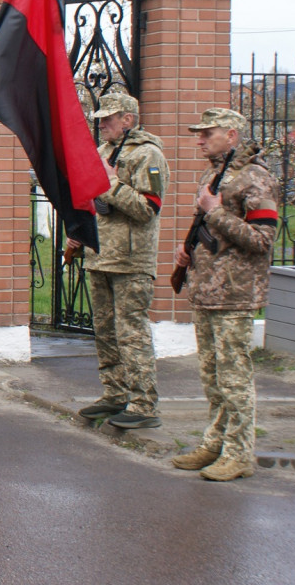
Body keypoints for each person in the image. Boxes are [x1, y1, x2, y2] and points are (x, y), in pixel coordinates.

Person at [172, 108, 278, 482]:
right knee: (212, 377)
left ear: (231, 135)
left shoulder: (255, 178)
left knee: (235, 379)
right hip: (207, 290)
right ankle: (214, 443)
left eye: (207, 133)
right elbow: (212, 230)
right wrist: (189, 252)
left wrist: (214, 214)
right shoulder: (215, 172)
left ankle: (239, 453)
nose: (199, 139)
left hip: (235, 293)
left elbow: (262, 240)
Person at [69, 93, 168, 430]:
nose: (103, 123)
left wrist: (111, 182)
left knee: (131, 333)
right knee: (106, 333)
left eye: (109, 118)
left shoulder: (148, 155)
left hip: (130, 260)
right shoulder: (103, 153)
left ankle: (143, 403)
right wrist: (79, 233)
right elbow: (89, 198)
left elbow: (147, 209)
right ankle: (115, 393)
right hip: (101, 256)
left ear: (128, 119)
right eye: (100, 118)